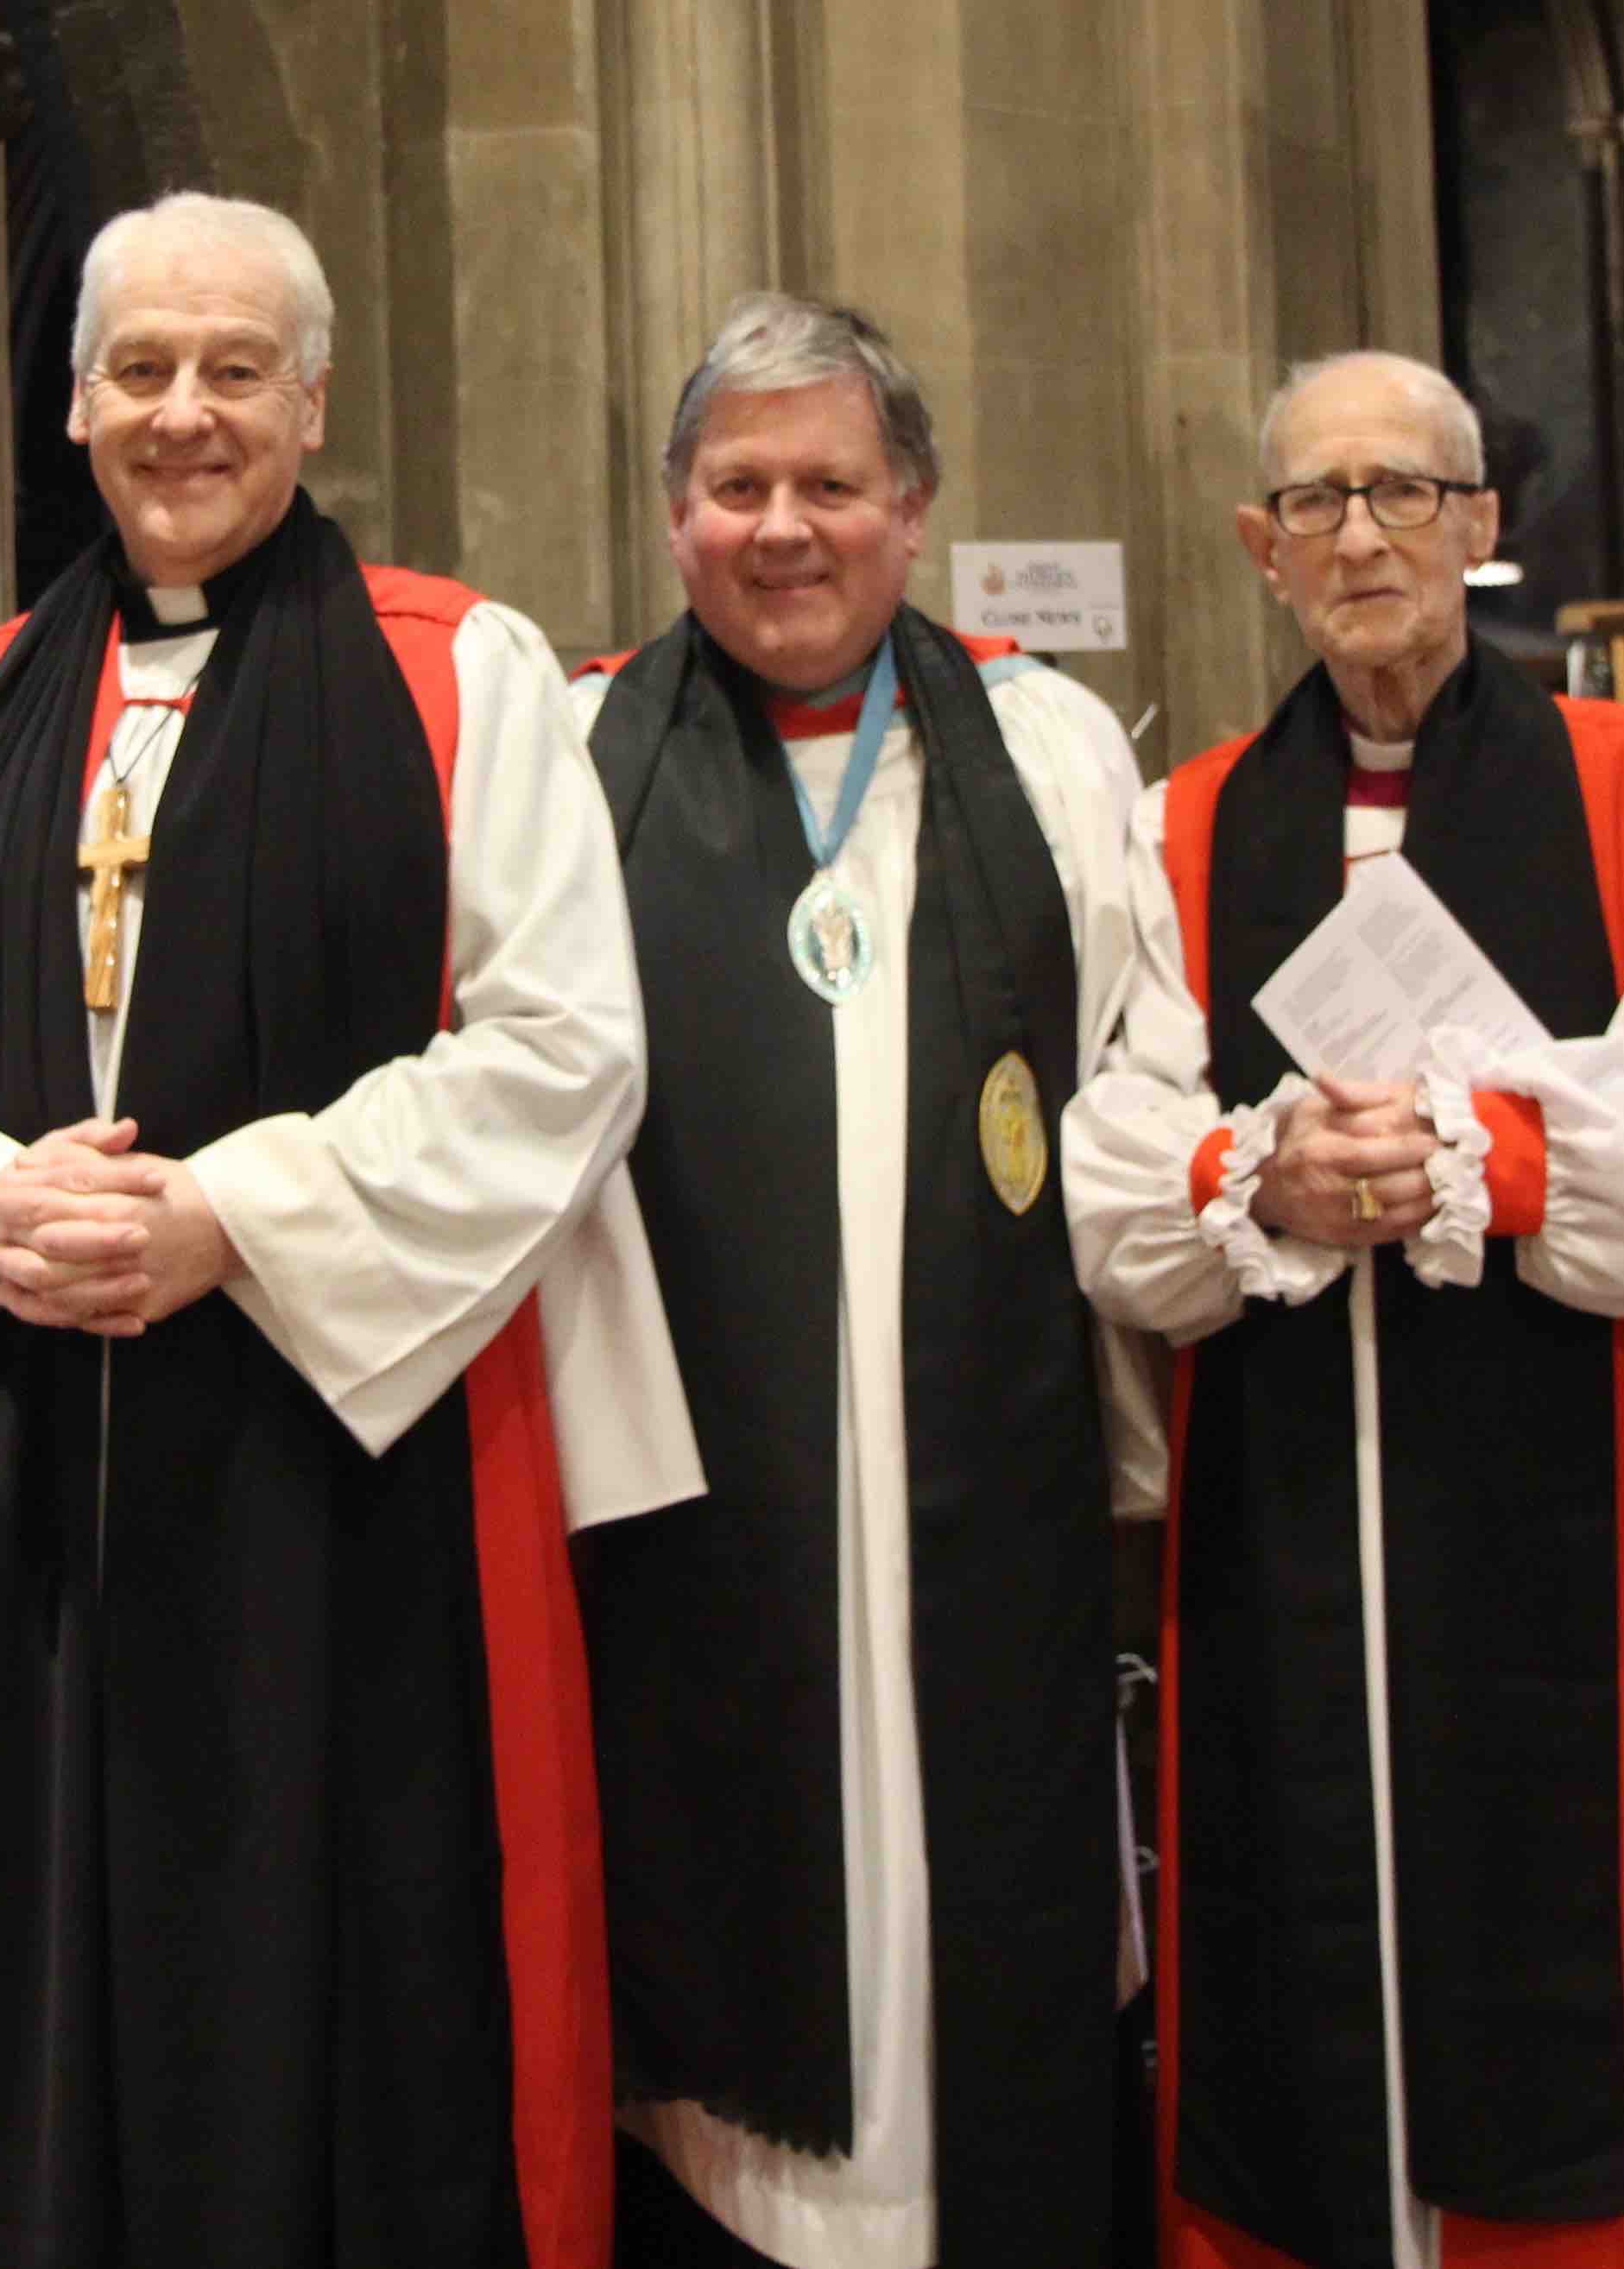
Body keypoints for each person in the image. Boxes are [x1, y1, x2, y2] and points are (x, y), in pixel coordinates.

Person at [0, 190, 654, 2268]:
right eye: (139, 368)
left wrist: (230, 1215)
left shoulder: (463, 678)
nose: (183, 414)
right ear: (75, 399)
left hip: (343, 1486)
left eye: (233, 370)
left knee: (341, 1976)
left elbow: (566, 1048)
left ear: (315, 403)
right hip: (21, 1492)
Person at [1065, 349, 1624, 2269]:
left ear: (1481, 526)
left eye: (1402, 491)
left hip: (1603, 1542)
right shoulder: (1183, 831)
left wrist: (1497, 1159)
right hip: (1284, 1549)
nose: (1359, 535)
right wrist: (1261, 1182)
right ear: (1260, 550)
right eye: (1315, 502)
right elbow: (1111, 1148)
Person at [559, 290, 1149, 2269]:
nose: (782, 527)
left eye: (830, 483)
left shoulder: (1046, 750)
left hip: (984, 1484)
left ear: (912, 512)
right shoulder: (577, 764)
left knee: (980, 1906)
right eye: (736, 486)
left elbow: (1140, 1089)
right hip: (692, 1508)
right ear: (670, 518)